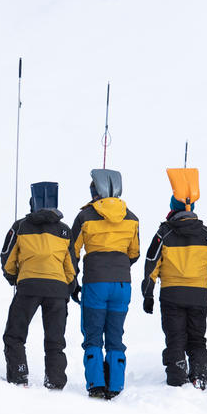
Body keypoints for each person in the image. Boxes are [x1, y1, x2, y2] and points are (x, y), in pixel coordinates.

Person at [70, 168, 140, 399]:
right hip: (122, 284)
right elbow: (134, 253)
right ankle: (116, 384)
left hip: (95, 282)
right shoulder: (131, 218)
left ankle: (96, 384)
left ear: (94, 190)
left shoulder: (85, 216)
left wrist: (72, 280)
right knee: (115, 336)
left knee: (92, 335)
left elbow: (72, 250)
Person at [0, 182, 76, 389]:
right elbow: (71, 265)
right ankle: (55, 380)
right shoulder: (64, 231)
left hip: (29, 286)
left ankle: (19, 375)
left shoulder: (20, 226)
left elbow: (7, 257)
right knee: (55, 338)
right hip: (58, 289)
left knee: (15, 334)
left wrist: (13, 277)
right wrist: (69, 286)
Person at [141, 196, 207, 389]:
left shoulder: (164, 233)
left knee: (175, 337)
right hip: (198, 294)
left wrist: (148, 294)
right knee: (197, 337)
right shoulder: (206, 234)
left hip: (171, 294)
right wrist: (199, 280)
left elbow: (151, 264)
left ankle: (177, 377)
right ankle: (200, 374)